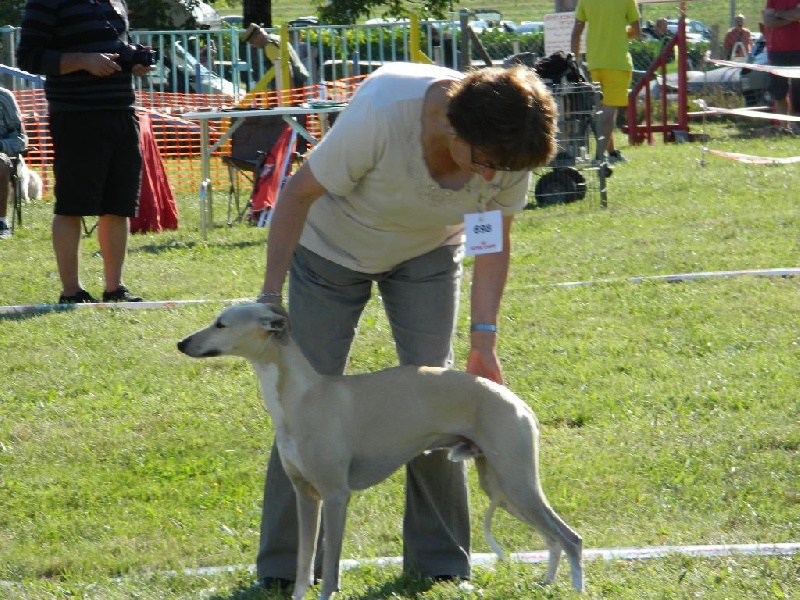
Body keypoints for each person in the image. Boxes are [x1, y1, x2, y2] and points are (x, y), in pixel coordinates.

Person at [253, 61, 558, 590]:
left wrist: (483, 340)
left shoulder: (507, 142)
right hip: (330, 253)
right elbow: (296, 194)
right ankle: (285, 569)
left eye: (502, 169)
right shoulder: (382, 113)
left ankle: (439, 564)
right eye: (485, 163)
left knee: (438, 398)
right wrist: (268, 297)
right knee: (305, 410)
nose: (492, 177)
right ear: (453, 128)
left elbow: (491, 241)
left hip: (427, 254)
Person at [17, 0, 151, 303]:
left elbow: (116, 45)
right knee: (72, 205)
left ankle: (115, 289)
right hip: (75, 115)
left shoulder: (116, 2)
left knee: (119, 204)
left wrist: (133, 59)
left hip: (122, 111)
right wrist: (83, 61)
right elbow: (29, 56)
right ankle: (71, 291)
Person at [571, 0, 640, 165]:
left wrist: (576, 61)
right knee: (608, 113)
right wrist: (624, 33)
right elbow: (637, 31)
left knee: (602, 109)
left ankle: (612, 153)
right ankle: (599, 158)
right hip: (617, 64)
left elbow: (576, 34)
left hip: (595, 64)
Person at [763, 1, 800, 122]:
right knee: (778, 92)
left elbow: (798, 14)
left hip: (798, 50)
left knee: (798, 91)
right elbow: (768, 23)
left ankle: (797, 125)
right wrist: (792, 17)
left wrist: (778, 14)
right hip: (777, 51)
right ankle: (785, 126)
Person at [0, 86, 28, 240]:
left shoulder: (4, 97)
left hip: (3, 157)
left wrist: (1, 146)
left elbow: (20, 138)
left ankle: (1, 223)